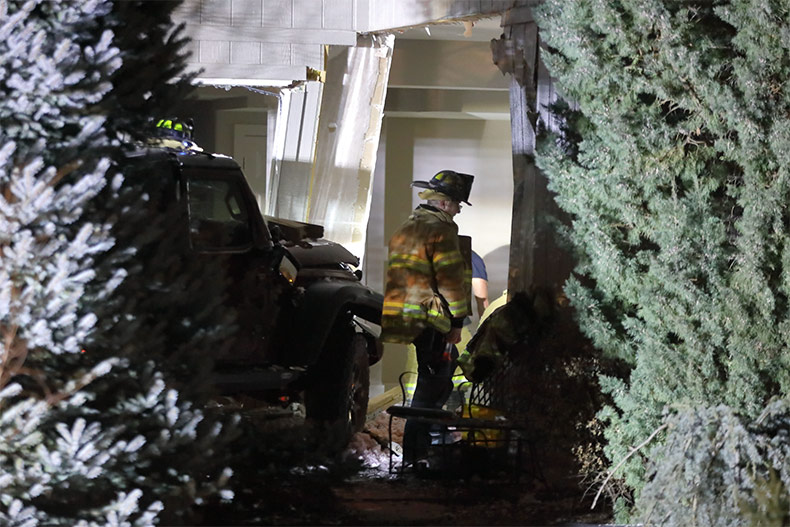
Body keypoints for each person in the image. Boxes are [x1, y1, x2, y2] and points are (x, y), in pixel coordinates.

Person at [381, 169, 474, 466]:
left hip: (409, 317)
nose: (458, 210)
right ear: (444, 203)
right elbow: (450, 281)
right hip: (433, 319)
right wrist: (456, 322)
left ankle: (424, 445)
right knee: (432, 383)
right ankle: (417, 454)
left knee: (435, 377)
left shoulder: (409, 226)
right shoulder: (441, 230)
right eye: (457, 204)